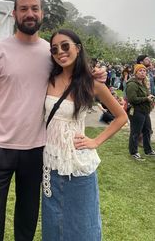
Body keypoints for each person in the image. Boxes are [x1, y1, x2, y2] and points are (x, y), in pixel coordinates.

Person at [0, 0, 107, 241]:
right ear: (14, 14)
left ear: (42, 14)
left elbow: (75, 73)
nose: (30, 14)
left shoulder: (51, 52)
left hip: (37, 150)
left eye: (35, 9)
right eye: (23, 9)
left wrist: (97, 75)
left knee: (27, 220)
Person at [42, 29, 127, 241]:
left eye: (65, 46)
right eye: (54, 49)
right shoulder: (47, 79)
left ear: (78, 48)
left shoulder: (92, 84)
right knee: (53, 224)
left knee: (82, 225)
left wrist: (95, 141)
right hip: (50, 163)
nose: (60, 52)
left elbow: (120, 117)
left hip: (78, 165)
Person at [126, 64, 155, 161]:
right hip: (136, 111)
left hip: (145, 111)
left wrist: (149, 98)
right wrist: (146, 98)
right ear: (136, 72)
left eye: (144, 71)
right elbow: (132, 99)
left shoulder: (142, 83)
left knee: (147, 130)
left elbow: (144, 96)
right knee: (136, 132)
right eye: (140, 71)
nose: (143, 72)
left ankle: (148, 150)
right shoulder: (132, 84)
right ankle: (134, 152)